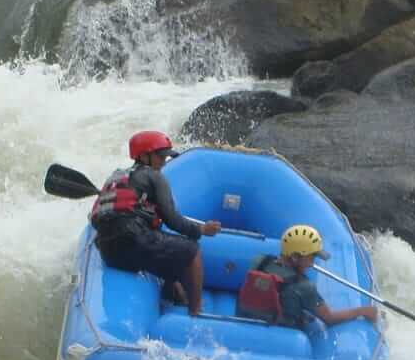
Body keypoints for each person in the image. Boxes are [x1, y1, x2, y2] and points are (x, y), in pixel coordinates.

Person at [90, 130, 220, 316]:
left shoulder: (114, 177)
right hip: (133, 241)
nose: (163, 162)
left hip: (108, 251)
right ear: (143, 156)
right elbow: (173, 220)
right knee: (191, 251)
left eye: (165, 157)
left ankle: (175, 294)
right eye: (160, 157)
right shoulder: (154, 176)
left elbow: (96, 219)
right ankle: (196, 311)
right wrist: (201, 229)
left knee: (160, 244)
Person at [236, 224, 378, 327]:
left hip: (247, 318)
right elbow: (329, 318)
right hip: (279, 330)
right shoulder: (304, 286)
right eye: (311, 258)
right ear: (295, 257)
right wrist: (362, 311)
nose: (312, 264)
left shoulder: (260, 260)